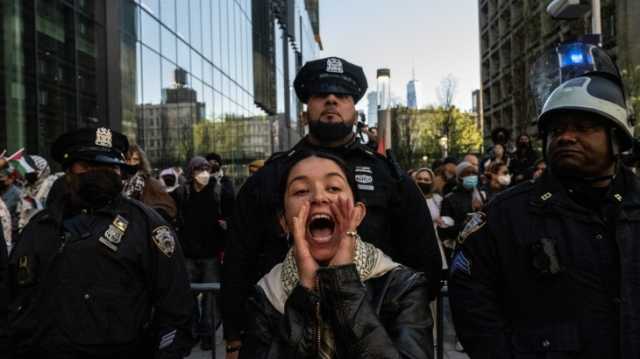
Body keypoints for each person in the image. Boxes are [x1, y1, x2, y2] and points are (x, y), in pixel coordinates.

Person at [222, 56, 442, 357]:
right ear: (305, 108)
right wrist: (234, 338)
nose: (331, 100)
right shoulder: (269, 178)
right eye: (320, 94)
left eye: (342, 95)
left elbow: (422, 260)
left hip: (376, 333)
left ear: (355, 108)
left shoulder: (390, 177)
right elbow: (239, 258)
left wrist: (404, 316)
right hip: (285, 334)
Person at [449, 71, 640, 358]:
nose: (566, 137)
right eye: (556, 130)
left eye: (582, 127)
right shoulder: (506, 214)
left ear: (616, 138)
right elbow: (472, 300)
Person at [7, 127, 193, 358]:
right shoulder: (40, 227)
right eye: (88, 166)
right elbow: (14, 299)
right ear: (69, 171)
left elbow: (176, 309)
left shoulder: (146, 225)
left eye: (110, 167)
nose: (100, 174)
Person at [240, 151, 433, 358]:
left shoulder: (401, 287)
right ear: (285, 222)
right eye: (301, 191)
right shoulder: (266, 295)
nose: (318, 197)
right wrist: (305, 293)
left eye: (333, 187)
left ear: (357, 214)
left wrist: (344, 284)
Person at [173, 156, 224, 351]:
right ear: (191, 173)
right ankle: (192, 332)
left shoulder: (217, 190)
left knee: (211, 299)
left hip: (210, 253)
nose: (203, 173)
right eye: (199, 169)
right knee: (188, 296)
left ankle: (208, 335)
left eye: (206, 169)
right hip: (188, 254)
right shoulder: (182, 193)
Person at [438, 161, 486, 257]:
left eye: (474, 173)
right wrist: (467, 224)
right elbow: (445, 231)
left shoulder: (480, 195)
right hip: (460, 249)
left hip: (480, 247)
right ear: (459, 177)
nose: (472, 176)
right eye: (468, 174)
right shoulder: (449, 199)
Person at [123, 144, 177, 223]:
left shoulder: (150, 182)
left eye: (135, 159)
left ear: (141, 161)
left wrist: (147, 216)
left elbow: (170, 208)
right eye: (128, 159)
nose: (131, 163)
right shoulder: (121, 182)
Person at [16, 155, 63, 232]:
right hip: (27, 230)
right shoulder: (26, 187)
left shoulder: (51, 185)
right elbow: (21, 211)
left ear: (40, 171)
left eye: (30, 171)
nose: (27, 174)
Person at [205, 152, 235, 235]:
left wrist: (227, 221)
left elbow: (230, 199)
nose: (212, 164)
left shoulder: (225, 180)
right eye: (209, 163)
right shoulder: (203, 180)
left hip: (222, 222)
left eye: (214, 162)